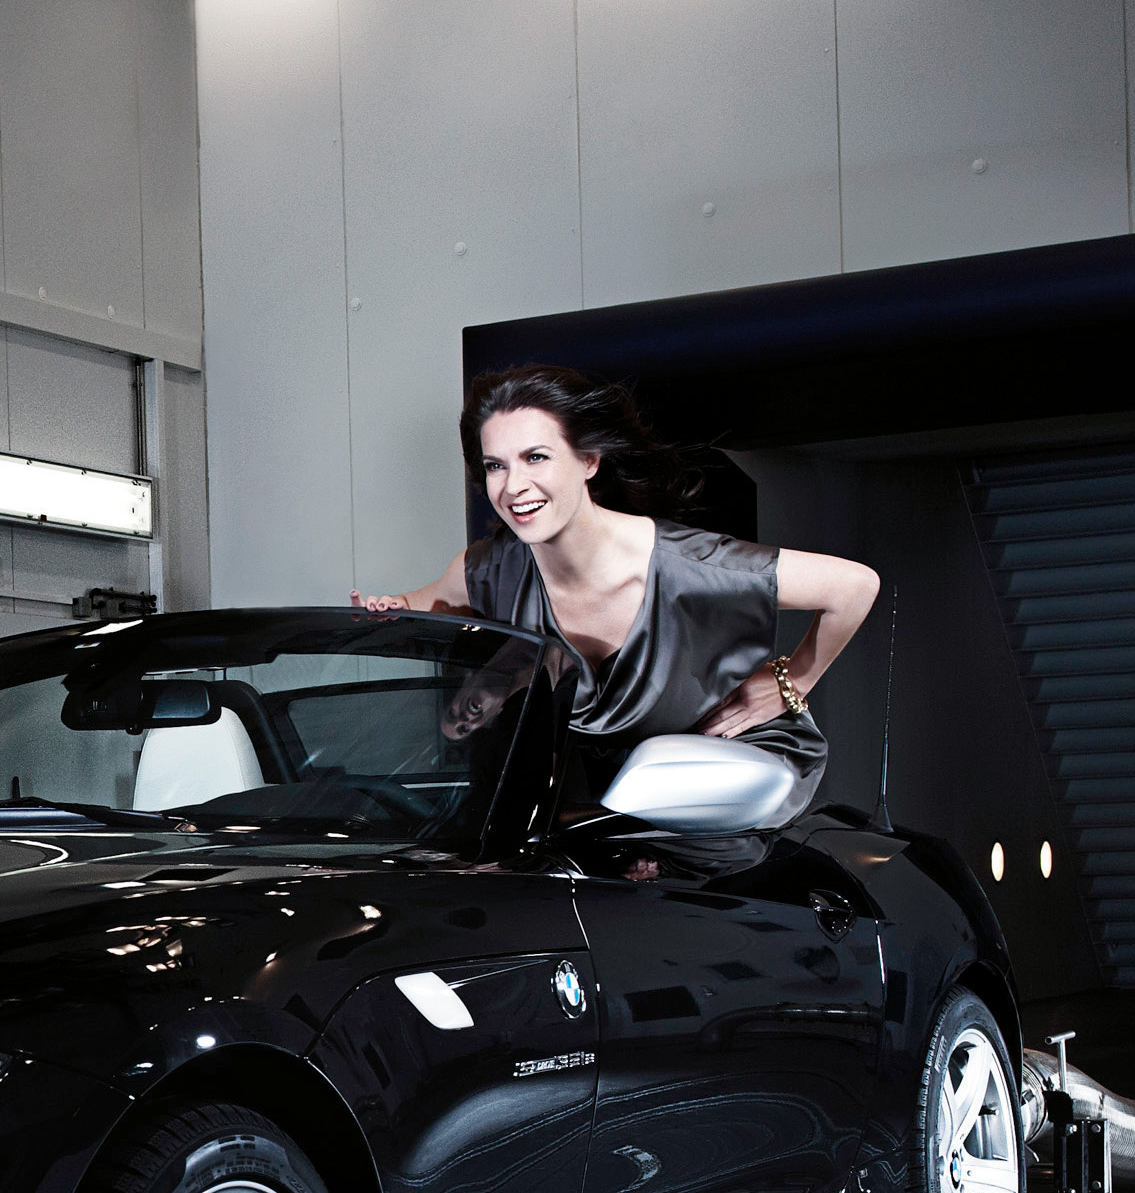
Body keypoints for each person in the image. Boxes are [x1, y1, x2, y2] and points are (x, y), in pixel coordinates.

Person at [356, 366, 879, 855]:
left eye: (536, 458)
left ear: (589, 460)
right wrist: (385, 610)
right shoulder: (489, 569)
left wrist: (793, 680)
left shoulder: (692, 568)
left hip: (723, 788)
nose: (513, 486)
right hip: (603, 802)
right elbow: (417, 608)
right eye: (496, 465)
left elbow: (854, 587)